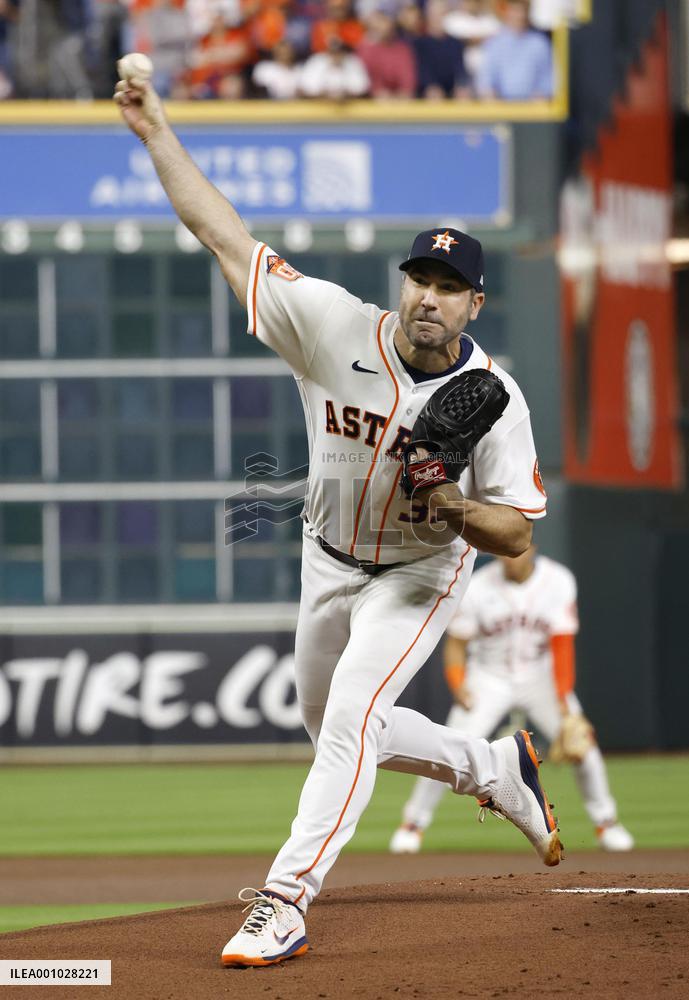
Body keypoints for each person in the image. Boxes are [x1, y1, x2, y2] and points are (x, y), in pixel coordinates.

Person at [114, 70, 561, 968]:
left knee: (354, 715)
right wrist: (155, 130)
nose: (428, 296)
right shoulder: (330, 325)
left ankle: (283, 898)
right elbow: (222, 235)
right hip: (327, 561)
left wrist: (453, 504)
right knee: (332, 731)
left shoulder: (495, 397)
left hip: (417, 572)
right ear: (401, 284)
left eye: (449, 285)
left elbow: (516, 533)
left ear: (476, 302)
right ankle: (494, 769)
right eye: (419, 277)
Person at [390, 545, 634, 854]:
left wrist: (563, 698)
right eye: (504, 551)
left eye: (516, 550)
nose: (510, 556)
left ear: (531, 546)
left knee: (584, 746)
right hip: (488, 678)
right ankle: (413, 823)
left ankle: (606, 822)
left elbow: (562, 646)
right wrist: (459, 684)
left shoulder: (558, 581)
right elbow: (456, 644)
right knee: (447, 744)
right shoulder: (477, 586)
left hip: (540, 677)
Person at [476, 0, 552, 101]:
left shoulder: (540, 43)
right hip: (501, 109)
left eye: (523, 11)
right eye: (515, 11)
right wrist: (490, 97)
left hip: (534, 109)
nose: (519, 16)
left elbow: (548, 79)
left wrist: (542, 95)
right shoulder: (494, 43)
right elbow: (486, 81)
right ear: (507, 12)